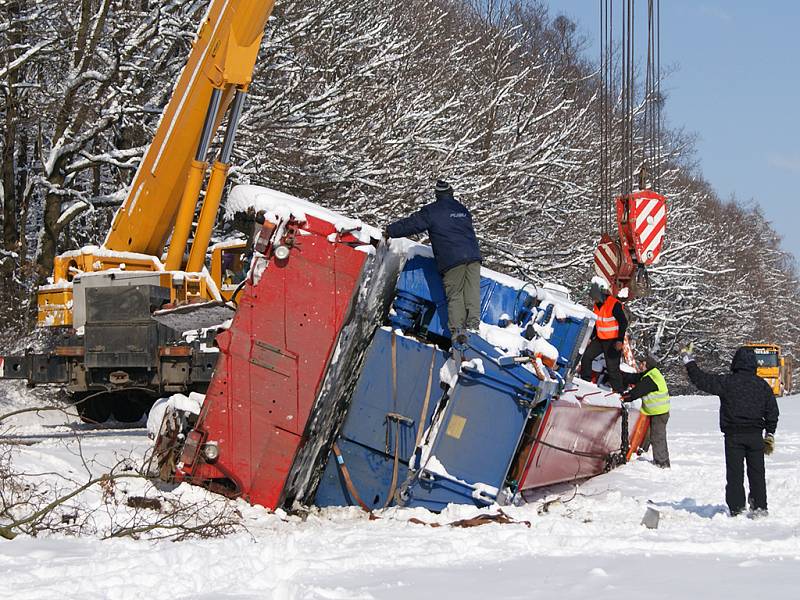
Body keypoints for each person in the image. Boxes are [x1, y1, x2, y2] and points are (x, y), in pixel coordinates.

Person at [681, 343, 779, 517]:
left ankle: (736, 508)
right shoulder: (762, 385)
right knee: (757, 473)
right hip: (755, 436)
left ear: (735, 363)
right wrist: (769, 433)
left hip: (733, 436)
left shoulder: (727, 382)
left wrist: (688, 360)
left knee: (734, 474)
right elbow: (772, 411)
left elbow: (701, 380)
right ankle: (760, 507)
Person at [385, 181, 482, 344]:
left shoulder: (432, 211)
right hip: (473, 255)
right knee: (472, 290)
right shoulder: (462, 210)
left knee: (455, 294)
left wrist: (390, 231)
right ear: (451, 193)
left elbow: (412, 224)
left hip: (452, 259)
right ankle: (473, 326)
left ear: (437, 195)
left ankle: (458, 332)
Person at [621, 353, 671, 468]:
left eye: (642, 363)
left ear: (648, 365)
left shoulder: (651, 378)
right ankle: (643, 452)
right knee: (648, 435)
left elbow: (637, 391)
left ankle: (662, 463)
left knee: (657, 437)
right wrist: (620, 375)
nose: (640, 365)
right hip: (654, 412)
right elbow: (635, 378)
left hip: (659, 413)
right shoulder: (648, 374)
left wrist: (624, 397)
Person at [579, 277, 628, 392]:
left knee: (612, 368)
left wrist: (620, 340)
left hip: (613, 342)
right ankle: (585, 383)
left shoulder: (614, 304)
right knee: (586, 357)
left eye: (594, 297)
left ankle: (619, 393)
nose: (593, 300)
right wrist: (591, 338)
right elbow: (598, 324)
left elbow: (623, 322)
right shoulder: (596, 306)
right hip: (600, 340)